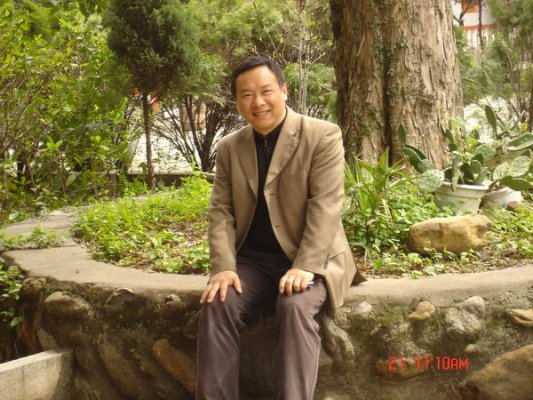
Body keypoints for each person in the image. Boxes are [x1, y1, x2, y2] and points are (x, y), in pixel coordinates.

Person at [196, 56, 365, 400]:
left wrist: (305, 265)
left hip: (311, 257)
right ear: (237, 101)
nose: (257, 102)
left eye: (266, 91)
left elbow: (326, 204)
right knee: (218, 302)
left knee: (294, 306)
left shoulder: (322, 135)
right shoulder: (230, 148)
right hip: (254, 261)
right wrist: (224, 267)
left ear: (284, 91)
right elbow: (221, 211)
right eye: (246, 95)